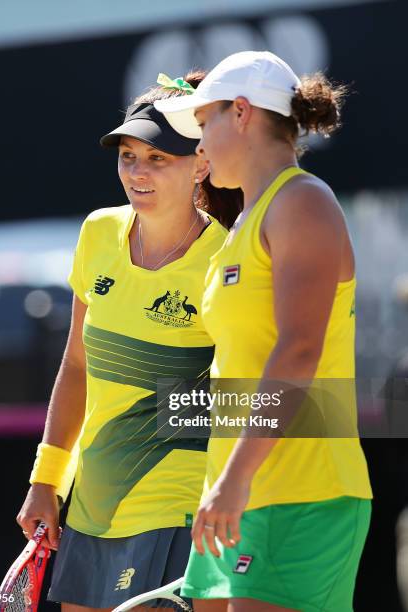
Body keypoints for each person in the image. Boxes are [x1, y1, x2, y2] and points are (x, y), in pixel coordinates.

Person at [16, 71, 242, 611]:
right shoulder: (97, 232)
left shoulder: (230, 261)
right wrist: (46, 480)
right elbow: (76, 364)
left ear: (202, 165)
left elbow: (253, 394)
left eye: (158, 158)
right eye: (128, 156)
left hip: (183, 505)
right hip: (93, 505)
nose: (137, 173)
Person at [155, 51, 373, 612]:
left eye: (205, 125)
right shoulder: (245, 225)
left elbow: (299, 350)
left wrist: (233, 479)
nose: (198, 145)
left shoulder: (302, 200)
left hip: (304, 492)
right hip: (241, 491)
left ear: (243, 113)